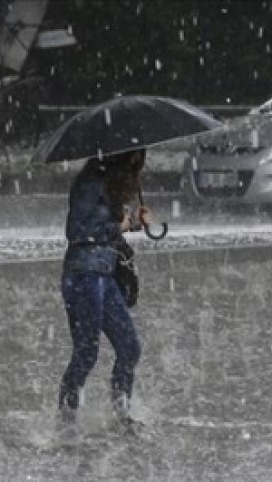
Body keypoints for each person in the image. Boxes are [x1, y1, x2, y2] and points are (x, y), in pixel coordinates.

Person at [57, 149, 154, 432]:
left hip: (103, 273)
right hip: (83, 274)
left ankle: (122, 415)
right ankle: (66, 421)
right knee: (86, 352)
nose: (136, 170)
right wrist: (118, 225)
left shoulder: (109, 183)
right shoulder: (90, 183)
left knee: (129, 347)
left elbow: (106, 229)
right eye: (133, 162)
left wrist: (134, 222)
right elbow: (76, 230)